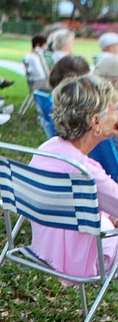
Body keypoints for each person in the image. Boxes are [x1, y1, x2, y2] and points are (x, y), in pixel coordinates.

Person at [29, 74, 118, 278]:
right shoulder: (85, 171)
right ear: (96, 122)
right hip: (85, 259)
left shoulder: (47, 149)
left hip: (45, 248)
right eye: (114, 111)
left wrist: (107, 214)